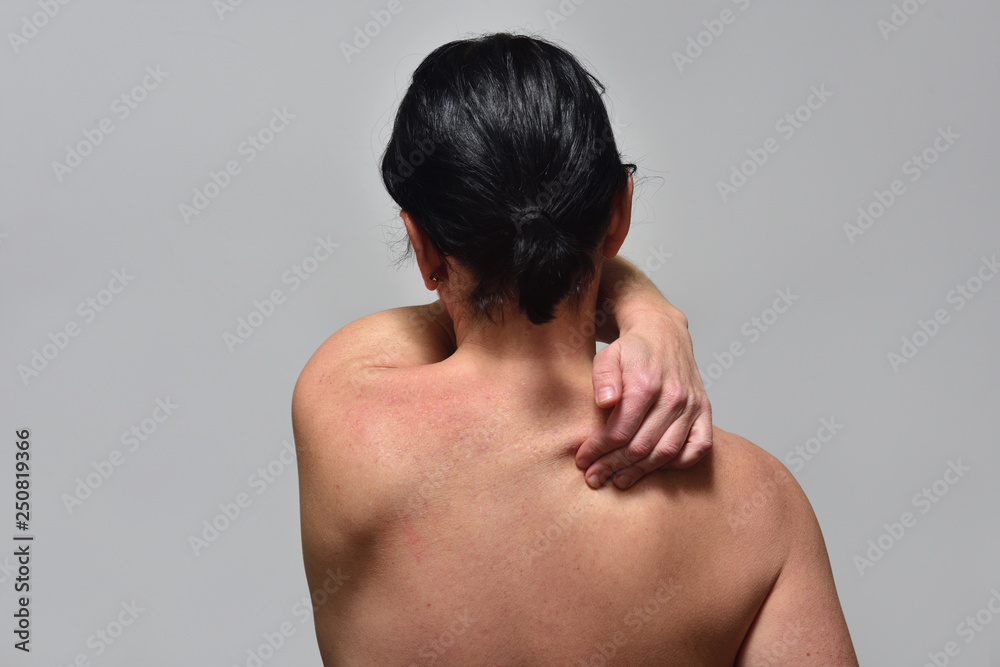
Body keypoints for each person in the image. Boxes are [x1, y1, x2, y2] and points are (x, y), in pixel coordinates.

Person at [292, 33, 858, 665]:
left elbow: (483, 286)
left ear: (422, 245)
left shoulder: (344, 400)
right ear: (618, 212)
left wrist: (644, 309)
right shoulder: (760, 506)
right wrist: (653, 311)